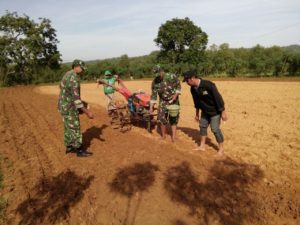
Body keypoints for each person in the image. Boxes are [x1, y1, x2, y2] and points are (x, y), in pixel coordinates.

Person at [182, 70, 228, 154]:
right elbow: (196, 102)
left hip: (215, 112)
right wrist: (196, 114)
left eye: (187, 81)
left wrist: (223, 112)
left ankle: (221, 148)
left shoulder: (208, 85)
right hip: (205, 111)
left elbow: (218, 98)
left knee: (215, 129)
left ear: (192, 78)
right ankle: (202, 146)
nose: (186, 83)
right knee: (202, 126)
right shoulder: (193, 89)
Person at [58, 59, 94, 157]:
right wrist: (87, 112)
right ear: (76, 67)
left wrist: (67, 97)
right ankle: (79, 150)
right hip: (70, 108)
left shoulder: (67, 74)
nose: (83, 71)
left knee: (67, 127)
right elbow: (77, 100)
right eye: (82, 68)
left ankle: (69, 147)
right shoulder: (74, 79)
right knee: (75, 127)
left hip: (62, 106)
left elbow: (60, 86)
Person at [149, 65, 181, 142]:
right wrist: (151, 107)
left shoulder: (172, 76)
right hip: (163, 101)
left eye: (159, 74)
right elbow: (153, 95)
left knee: (174, 119)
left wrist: (175, 96)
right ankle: (163, 136)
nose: (158, 77)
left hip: (174, 101)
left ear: (162, 71)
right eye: (156, 75)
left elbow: (178, 86)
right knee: (161, 118)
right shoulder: (155, 82)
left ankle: (173, 137)